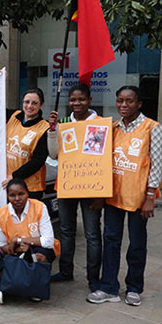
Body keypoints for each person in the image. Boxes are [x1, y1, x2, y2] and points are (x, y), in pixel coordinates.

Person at [87, 86, 162, 307]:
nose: (124, 105)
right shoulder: (112, 128)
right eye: (120, 100)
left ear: (139, 103)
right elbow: (100, 161)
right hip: (113, 197)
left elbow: (156, 166)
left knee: (137, 244)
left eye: (129, 101)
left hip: (138, 198)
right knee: (111, 241)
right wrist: (99, 192)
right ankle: (109, 287)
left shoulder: (152, 128)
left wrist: (150, 196)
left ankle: (134, 288)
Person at [47, 83, 102, 291]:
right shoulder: (63, 124)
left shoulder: (100, 124)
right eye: (72, 100)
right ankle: (65, 271)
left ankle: (94, 278)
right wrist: (53, 130)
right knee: (67, 231)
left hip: (92, 187)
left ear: (89, 100)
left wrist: (101, 195)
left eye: (81, 99)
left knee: (92, 234)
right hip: (67, 185)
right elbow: (53, 154)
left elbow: (105, 161)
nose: (76, 103)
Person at [0, 178, 60, 301]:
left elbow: (48, 241)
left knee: (39, 256)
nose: (17, 199)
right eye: (12, 195)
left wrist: (20, 240)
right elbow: (1, 245)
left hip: (38, 247)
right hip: (15, 249)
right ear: (7, 196)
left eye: (21, 194)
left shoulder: (39, 207)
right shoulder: (1, 214)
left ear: (27, 193)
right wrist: (15, 248)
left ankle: (36, 288)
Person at [4, 88, 50, 200]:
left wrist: (14, 176)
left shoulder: (44, 128)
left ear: (41, 105)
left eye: (34, 103)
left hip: (30, 188)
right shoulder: (12, 116)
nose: (29, 106)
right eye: (26, 102)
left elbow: (38, 161)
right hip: (7, 184)